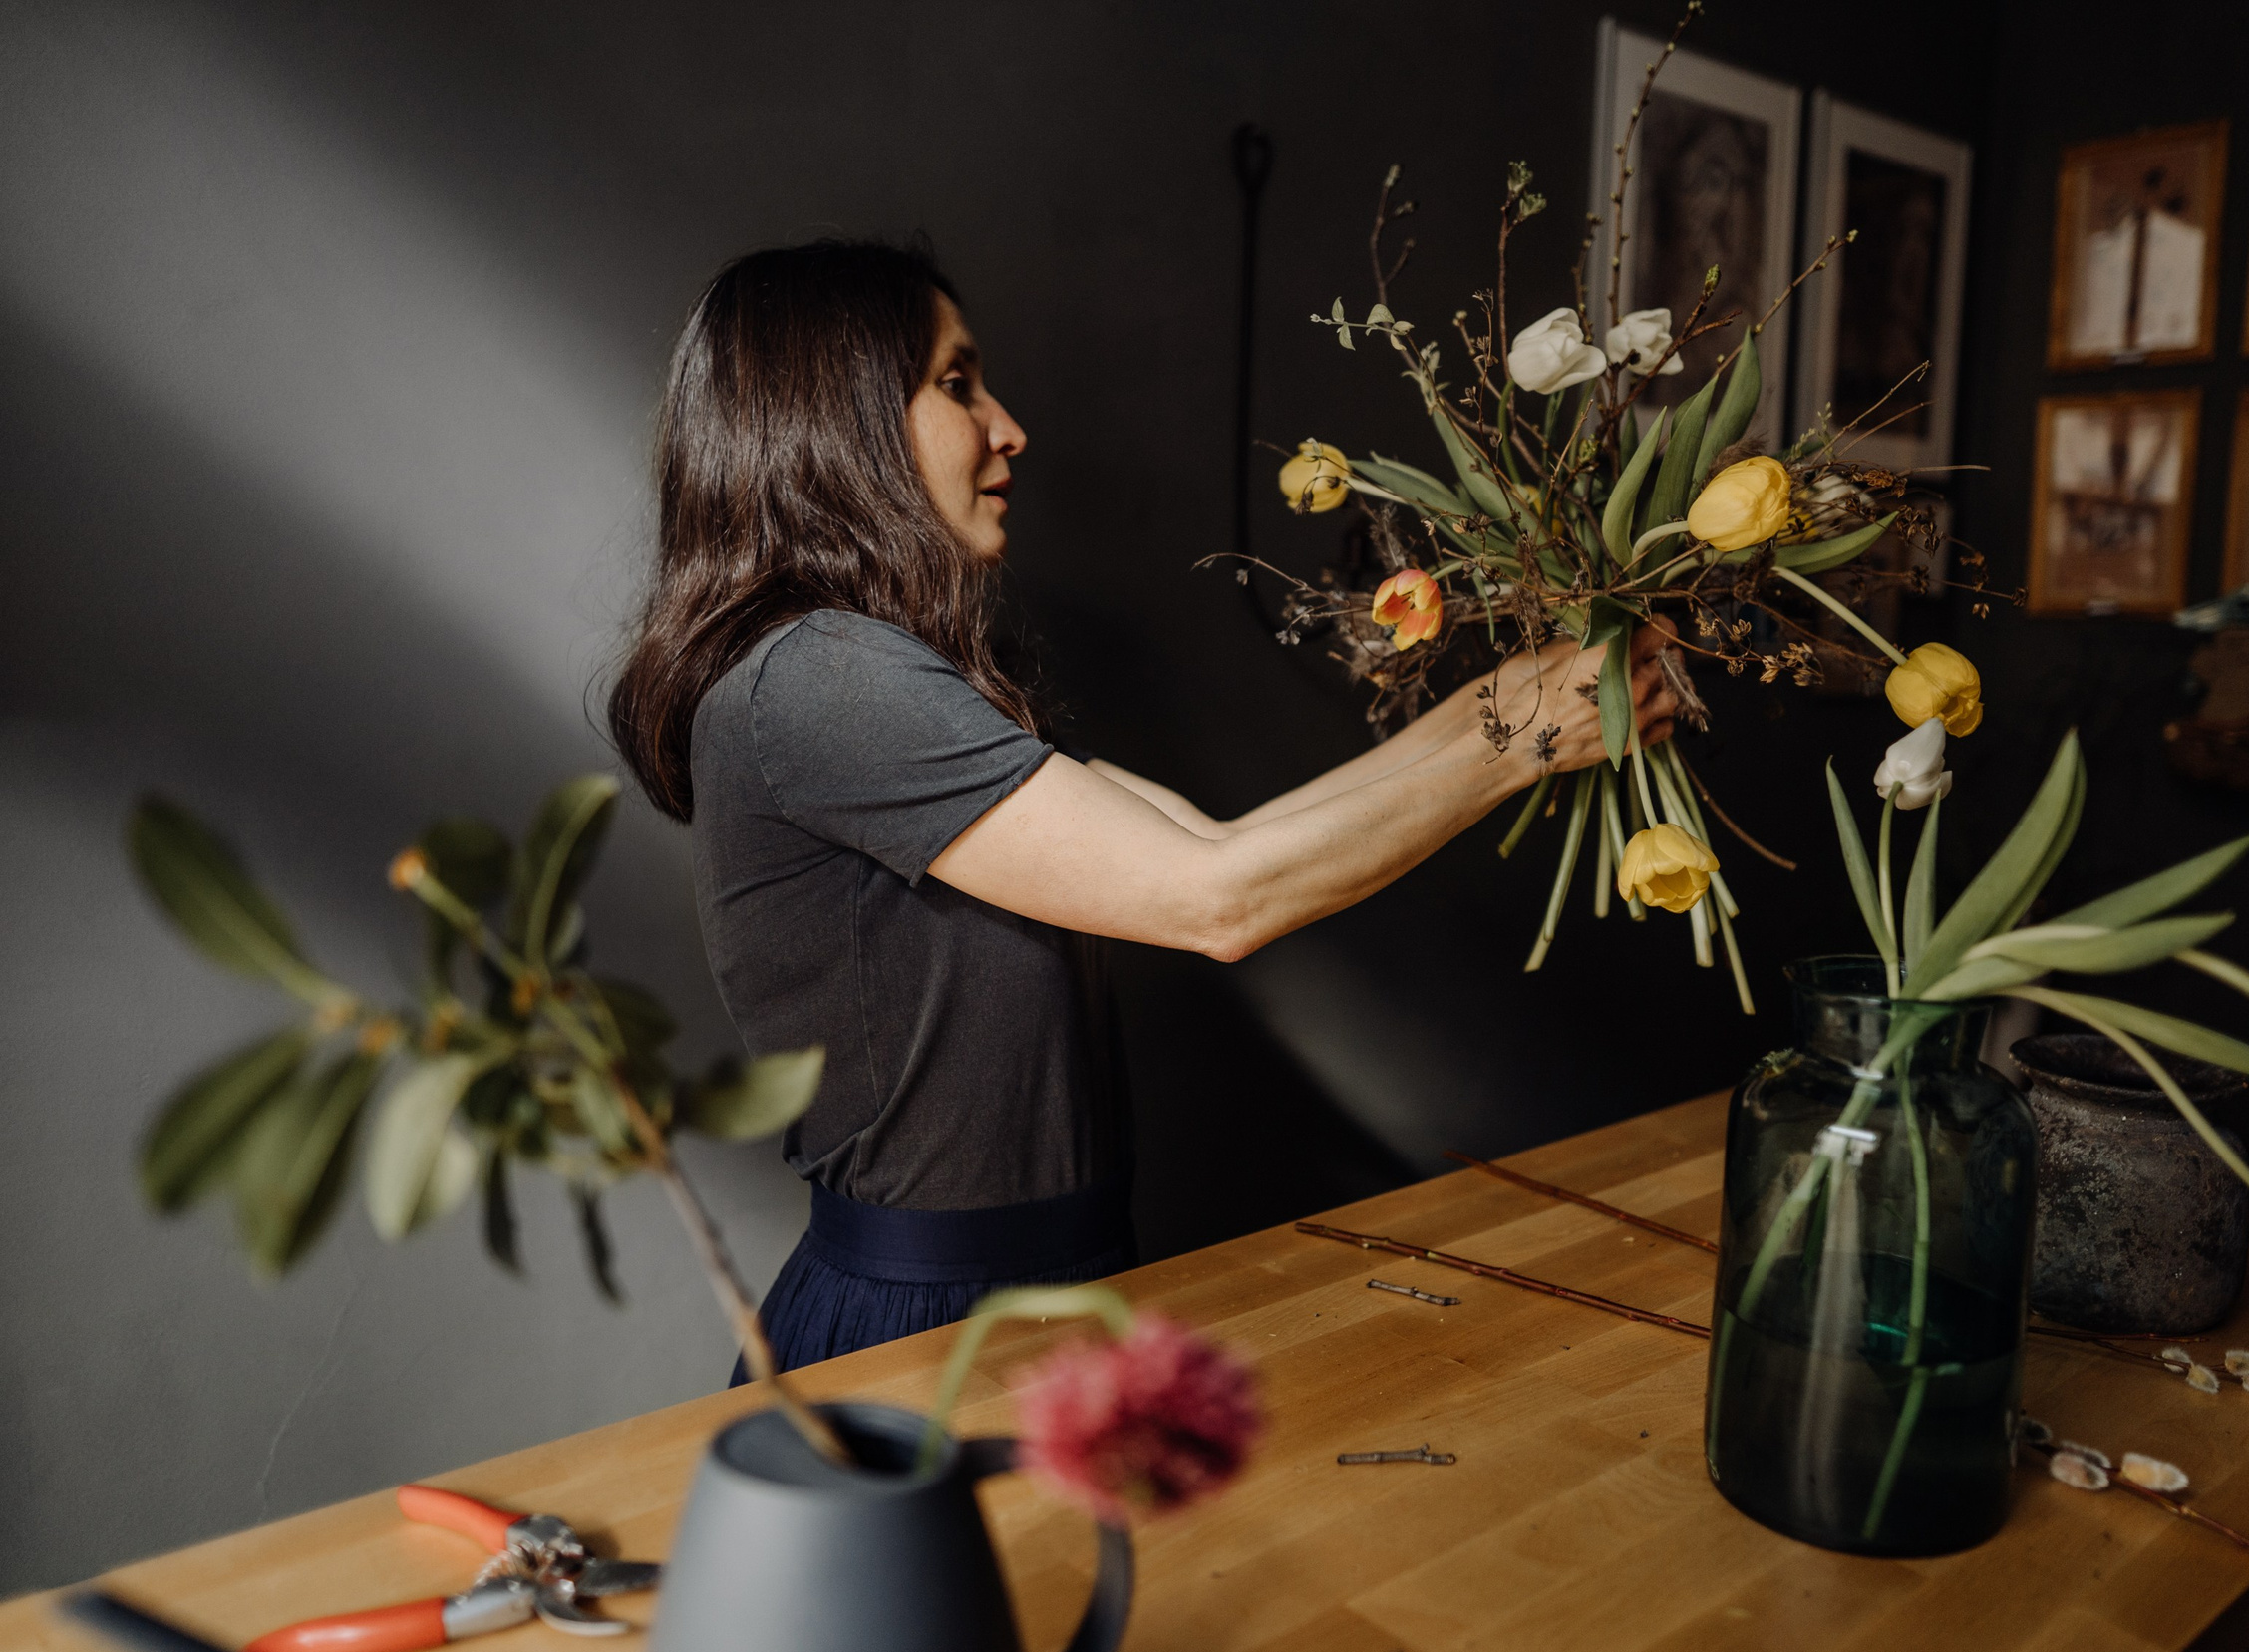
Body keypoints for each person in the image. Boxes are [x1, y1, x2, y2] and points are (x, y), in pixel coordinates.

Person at [608, 239, 1675, 1372]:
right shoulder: (821, 675)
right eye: (957, 383)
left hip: (1044, 1291)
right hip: (927, 1333)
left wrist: (1501, 707)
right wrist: (1517, 744)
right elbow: (1219, 900)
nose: (1007, 425)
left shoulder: (881, 673)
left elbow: (1218, 843)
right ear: (838, 414)